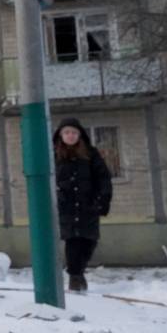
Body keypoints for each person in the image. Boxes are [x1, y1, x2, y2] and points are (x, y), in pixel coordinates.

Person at [53, 118, 113, 292]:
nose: (70, 136)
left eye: (74, 132)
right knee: (73, 241)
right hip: (66, 206)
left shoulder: (91, 153)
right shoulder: (53, 154)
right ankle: (75, 277)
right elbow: (48, 178)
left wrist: (103, 199)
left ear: (80, 135)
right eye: (67, 132)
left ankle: (78, 273)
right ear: (61, 135)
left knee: (89, 241)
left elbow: (103, 177)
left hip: (88, 205)